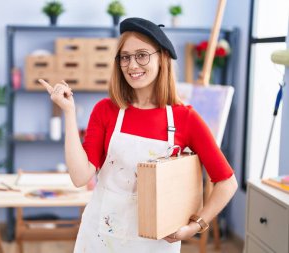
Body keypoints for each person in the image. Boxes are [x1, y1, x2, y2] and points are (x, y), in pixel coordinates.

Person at [39, 17, 238, 253]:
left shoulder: (185, 118)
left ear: (162, 58)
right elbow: (80, 177)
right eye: (125, 57)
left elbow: (227, 182)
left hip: (154, 244)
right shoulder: (106, 110)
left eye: (142, 55)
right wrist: (69, 113)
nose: (132, 65)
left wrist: (196, 225)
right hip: (100, 237)